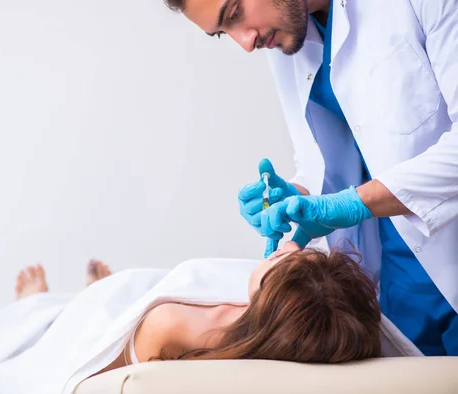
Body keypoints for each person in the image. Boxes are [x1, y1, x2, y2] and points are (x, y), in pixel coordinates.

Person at [161, 0, 458, 356]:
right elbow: (330, 159)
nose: (245, 42)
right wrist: (295, 196)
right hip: (396, 296)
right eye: (223, 33)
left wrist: (351, 204)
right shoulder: (287, 37)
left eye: (235, 12)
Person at [0, 245, 418, 394]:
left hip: (111, 322)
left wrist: (104, 317)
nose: (288, 246)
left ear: (268, 297)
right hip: (127, 304)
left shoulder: (176, 323)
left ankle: (37, 308)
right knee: (99, 303)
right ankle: (73, 302)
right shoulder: (296, 329)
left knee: (46, 329)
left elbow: (75, 376)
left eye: (290, 258)